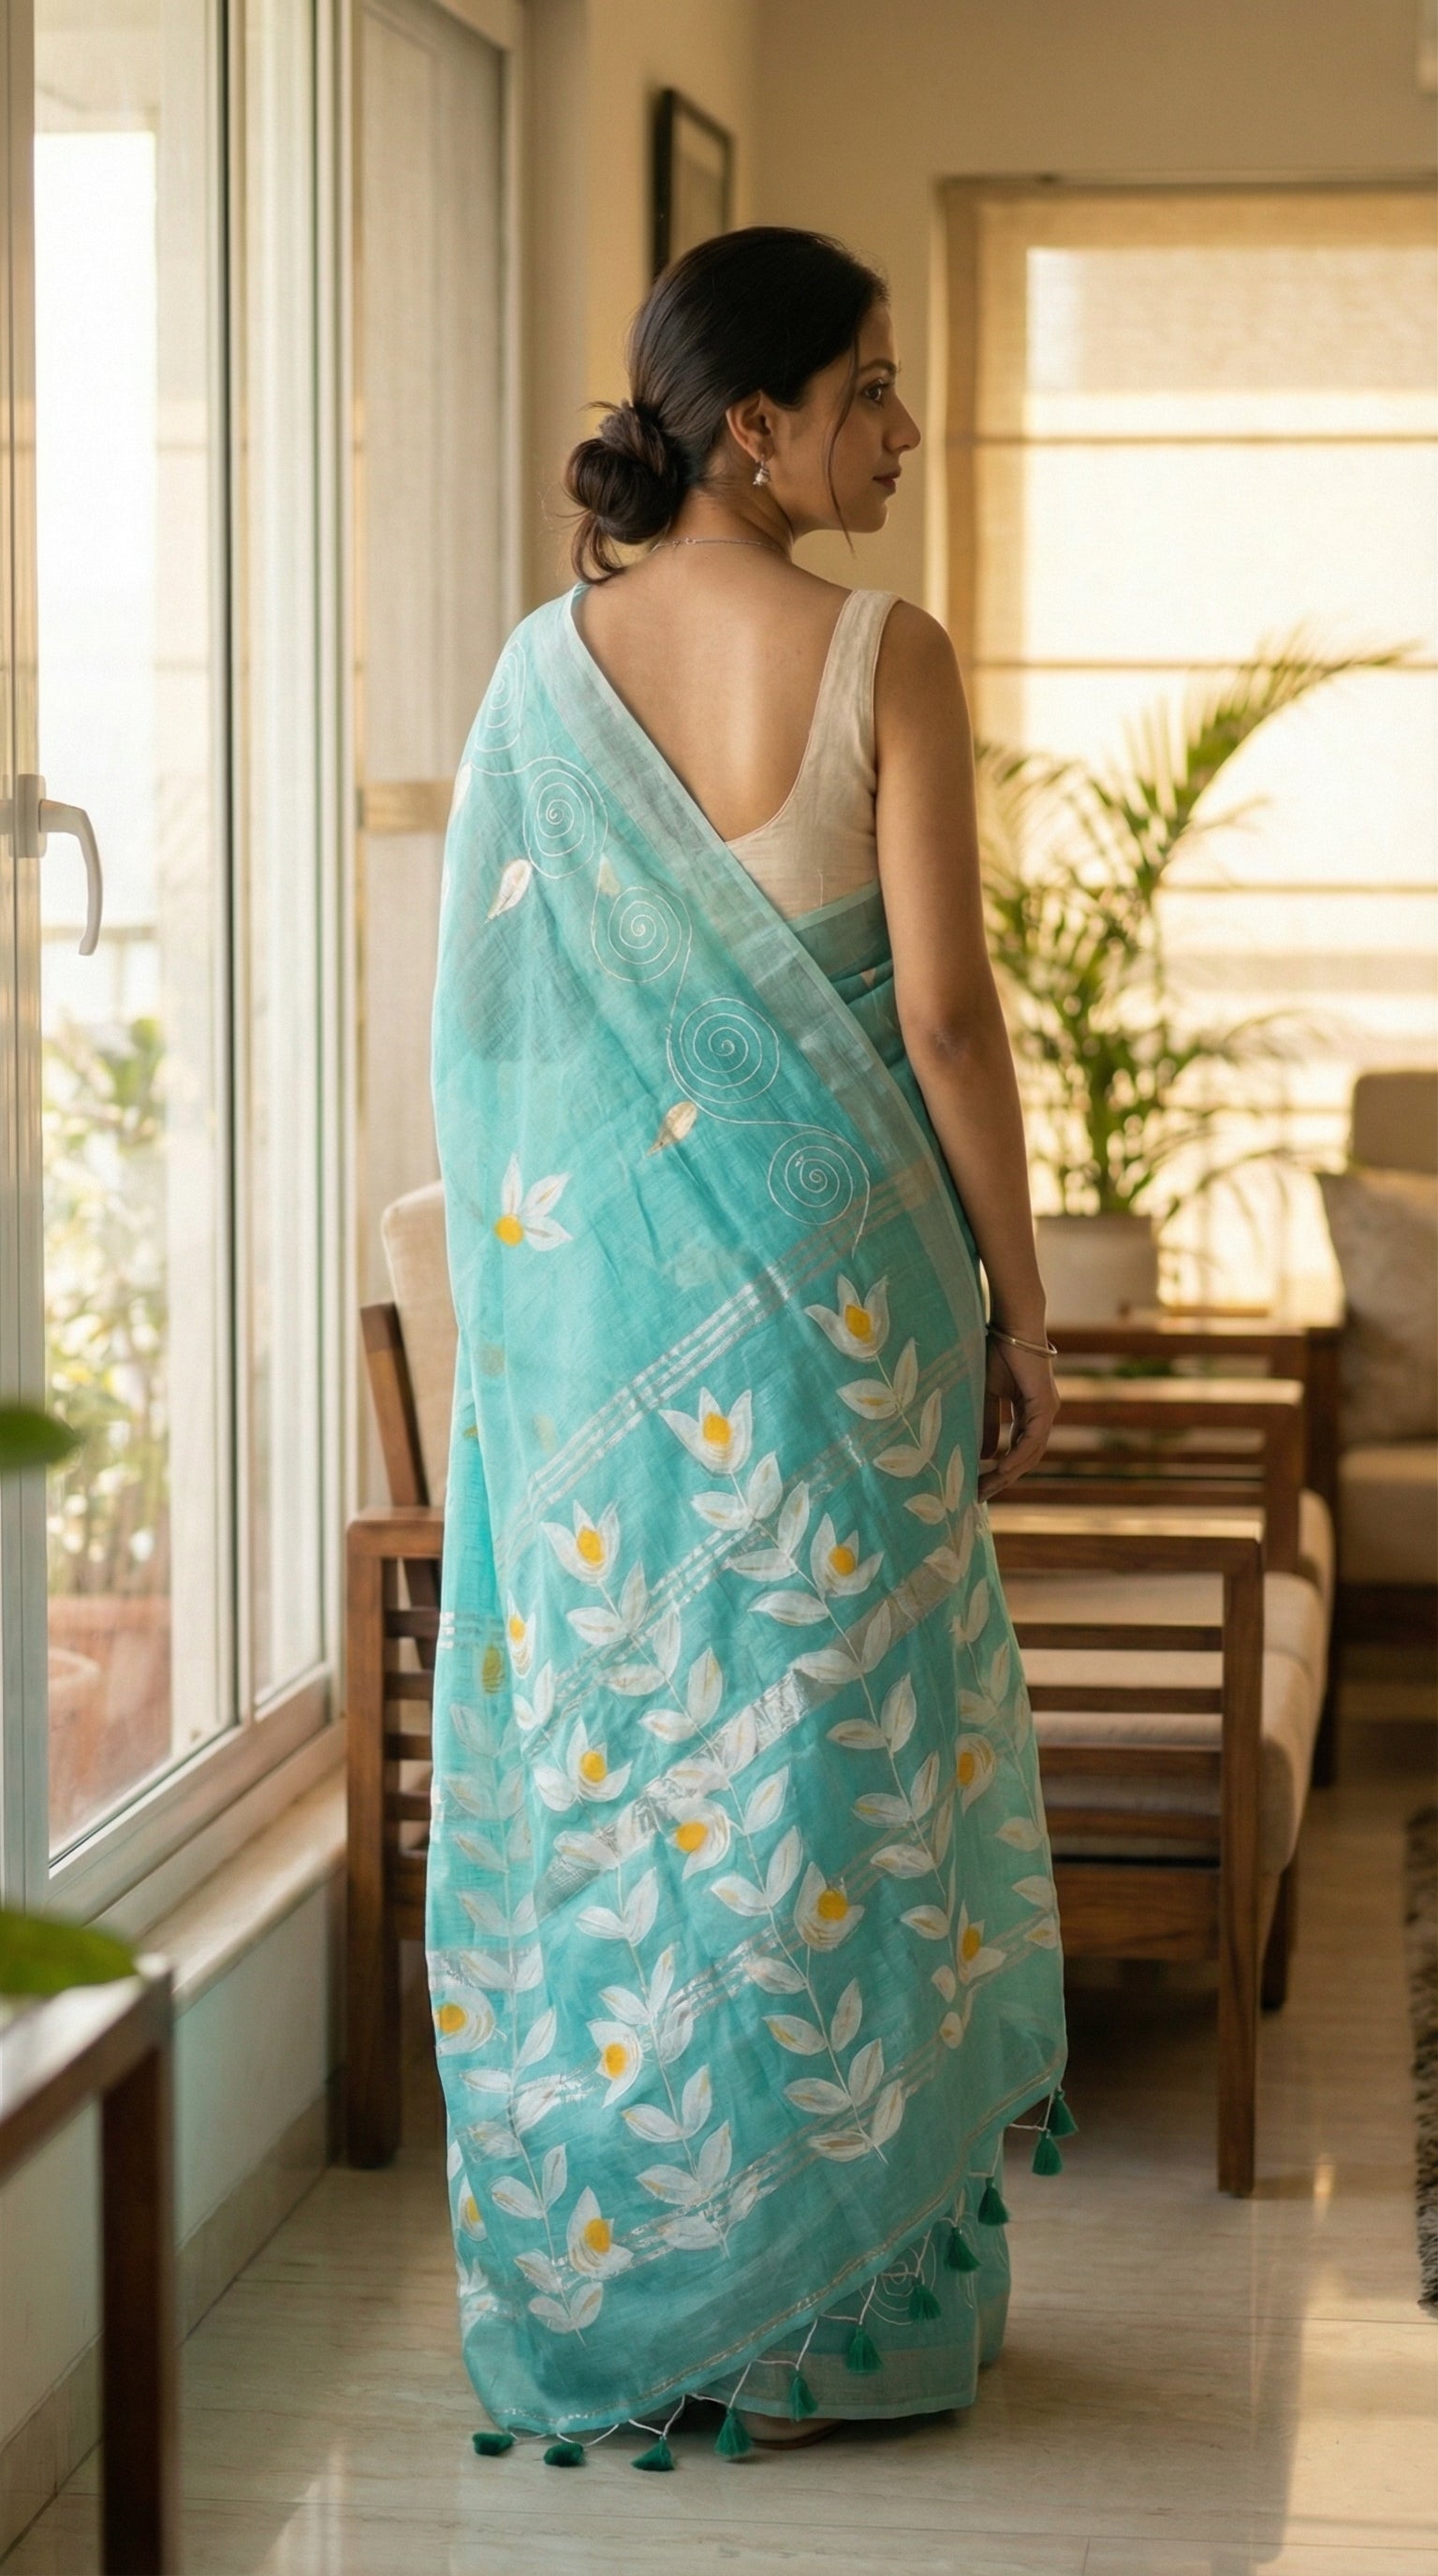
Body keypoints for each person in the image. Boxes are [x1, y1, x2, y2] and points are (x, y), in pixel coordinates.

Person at [428, 227, 1067, 2471]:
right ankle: (852, 2330)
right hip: (847, 1341)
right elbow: (950, 1020)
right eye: (873, 388)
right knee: (837, 1790)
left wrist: (543, 1335)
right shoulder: (887, 653)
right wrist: (1022, 1291)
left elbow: (501, 1053)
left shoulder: (539, 678)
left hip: (613, 1356)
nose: (901, 426)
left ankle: (670, 2285)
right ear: (756, 425)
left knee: (651, 1801)